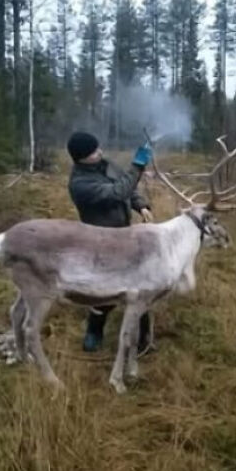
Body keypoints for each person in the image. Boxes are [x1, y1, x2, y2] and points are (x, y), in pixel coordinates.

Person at [66, 131, 154, 353]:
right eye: (94, 151)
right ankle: (94, 332)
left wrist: (141, 205)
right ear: (81, 158)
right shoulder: (80, 184)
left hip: (126, 235)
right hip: (101, 241)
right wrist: (138, 164)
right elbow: (117, 192)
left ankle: (144, 338)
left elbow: (127, 188)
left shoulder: (106, 165)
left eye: (98, 147)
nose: (100, 152)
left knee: (140, 288)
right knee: (104, 291)